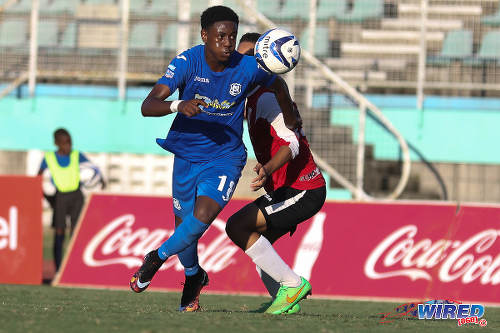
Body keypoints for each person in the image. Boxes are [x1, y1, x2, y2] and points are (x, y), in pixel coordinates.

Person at [129, 6, 299, 312]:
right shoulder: (187, 62)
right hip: (186, 155)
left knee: (204, 215)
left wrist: (289, 111)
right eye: (220, 36)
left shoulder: (246, 67)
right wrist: (177, 105)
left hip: (226, 157)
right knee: (185, 229)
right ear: (205, 35)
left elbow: (276, 82)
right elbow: (148, 104)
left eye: (232, 36)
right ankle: (194, 277)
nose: (227, 43)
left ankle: (155, 258)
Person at [224, 33, 327, 315]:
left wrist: (268, 168)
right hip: (289, 189)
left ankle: (293, 285)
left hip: (303, 190)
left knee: (237, 226)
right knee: (262, 251)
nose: (239, 63)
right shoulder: (259, 95)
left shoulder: (266, 97)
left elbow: (292, 144)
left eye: (245, 57)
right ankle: (285, 304)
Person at [38, 128, 105, 272]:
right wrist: (46, 197)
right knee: (59, 233)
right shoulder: (49, 157)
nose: (68, 146)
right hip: (60, 197)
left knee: (76, 233)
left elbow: (94, 170)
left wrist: (102, 180)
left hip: (76, 196)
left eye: (69, 143)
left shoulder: (76, 155)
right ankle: (58, 270)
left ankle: (75, 268)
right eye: (64, 143)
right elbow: (36, 179)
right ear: (56, 143)